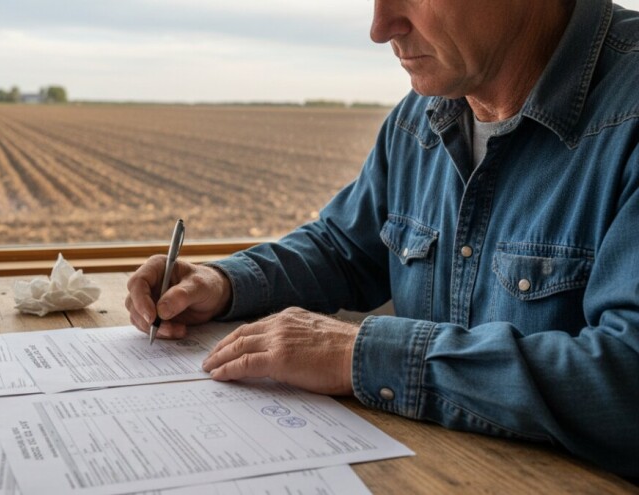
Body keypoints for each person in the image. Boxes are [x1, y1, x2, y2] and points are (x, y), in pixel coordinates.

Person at [125, 0, 639, 477]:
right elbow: (343, 249)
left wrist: (364, 353)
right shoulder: (420, 117)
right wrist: (222, 282)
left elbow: (626, 376)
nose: (380, 27)